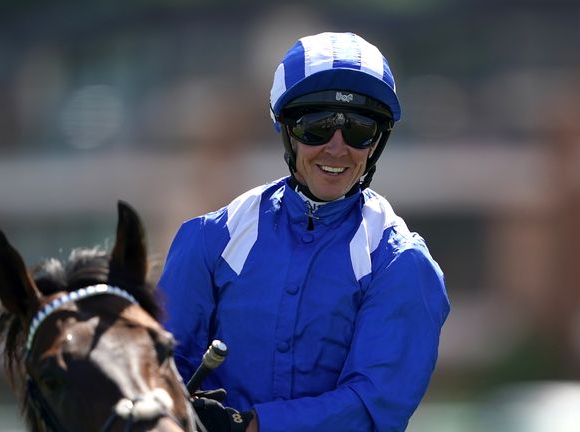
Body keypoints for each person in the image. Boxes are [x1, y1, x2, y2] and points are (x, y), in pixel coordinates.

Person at [159, 31, 450, 432]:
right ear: (288, 132)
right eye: (317, 126)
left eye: (358, 130)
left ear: (376, 143)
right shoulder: (210, 240)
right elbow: (159, 370)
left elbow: (372, 407)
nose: (337, 147)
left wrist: (252, 425)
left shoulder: (402, 265)